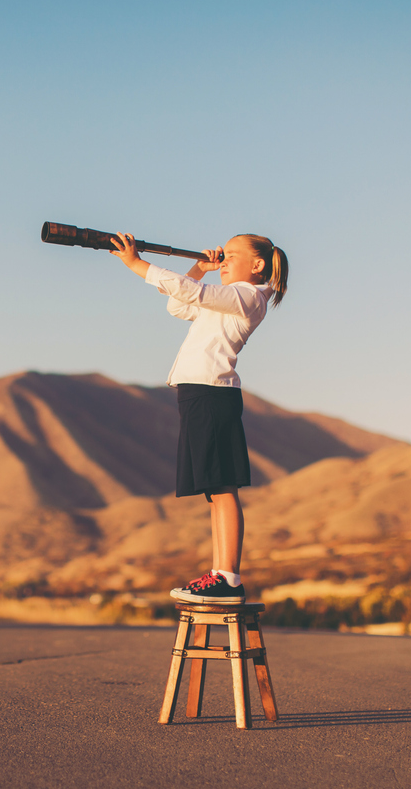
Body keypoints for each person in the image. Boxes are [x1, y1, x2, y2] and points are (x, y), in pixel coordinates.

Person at [109, 232, 288, 604]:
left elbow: (192, 293)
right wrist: (199, 268)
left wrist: (136, 264)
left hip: (212, 393)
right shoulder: (227, 299)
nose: (223, 259)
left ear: (257, 265)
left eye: (231, 255)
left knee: (223, 486)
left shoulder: (248, 296)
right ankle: (221, 573)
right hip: (198, 393)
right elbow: (178, 305)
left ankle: (229, 577)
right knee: (214, 489)